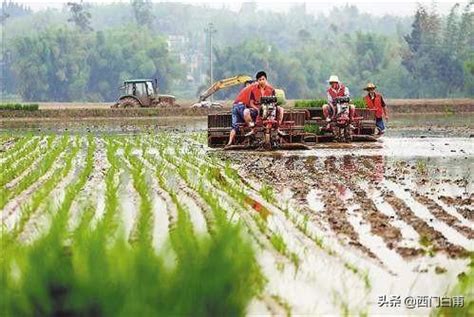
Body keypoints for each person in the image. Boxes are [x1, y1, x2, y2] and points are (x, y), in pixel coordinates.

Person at [246, 70, 286, 137]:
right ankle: (253, 129)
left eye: (263, 79)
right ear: (257, 81)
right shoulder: (253, 90)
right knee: (246, 112)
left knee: (281, 109)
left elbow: (274, 101)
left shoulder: (271, 89)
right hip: (257, 108)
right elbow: (251, 103)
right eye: (260, 79)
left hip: (269, 108)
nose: (262, 81)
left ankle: (277, 128)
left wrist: (272, 106)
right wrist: (257, 109)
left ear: (266, 80)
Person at [226, 79, 257, 146]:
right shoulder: (253, 88)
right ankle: (253, 131)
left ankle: (229, 142)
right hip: (242, 106)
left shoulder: (244, 90)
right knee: (250, 119)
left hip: (235, 106)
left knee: (235, 126)